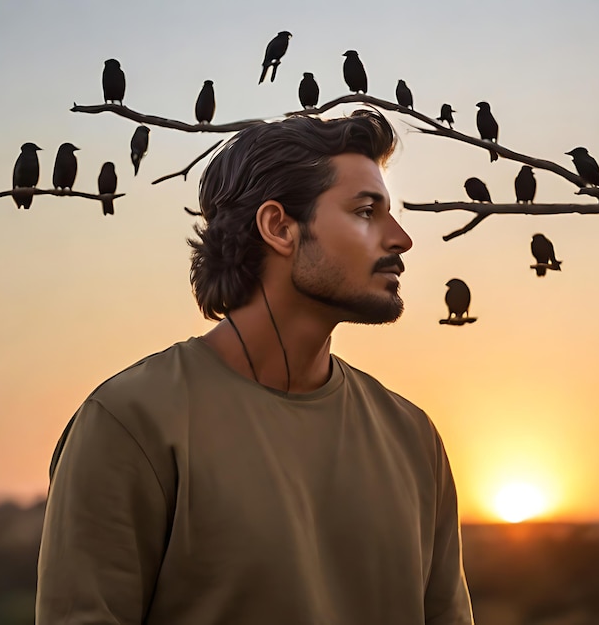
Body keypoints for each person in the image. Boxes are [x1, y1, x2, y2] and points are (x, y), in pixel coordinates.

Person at [36, 110, 474, 624]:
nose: (401, 239)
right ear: (279, 227)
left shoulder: (413, 438)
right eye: (364, 212)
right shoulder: (131, 423)